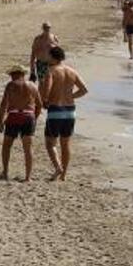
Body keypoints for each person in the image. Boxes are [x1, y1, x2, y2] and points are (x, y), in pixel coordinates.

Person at [38, 46, 88, 181]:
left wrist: (44, 101)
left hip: (56, 109)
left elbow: (47, 89)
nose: (47, 58)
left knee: (50, 143)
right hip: (70, 110)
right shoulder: (71, 71)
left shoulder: (51, 71)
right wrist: (71, 96)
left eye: (48, 56)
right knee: (65, 144)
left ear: (53, 57)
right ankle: (64, 174)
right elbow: (84, 89)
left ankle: (58, 167)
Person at [0, 64, 43, 182]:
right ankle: (28, 177)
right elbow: (39, 104)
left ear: (15, 74)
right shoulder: (32, 86)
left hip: (13, 116)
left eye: (12, 74)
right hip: (28, 116)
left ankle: (5, 172)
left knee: (7, 145)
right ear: (23, 74)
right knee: (28, 148)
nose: (11, 77)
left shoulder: (10, 85)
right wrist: (35, 117)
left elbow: (4, 104)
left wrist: (0, 121)